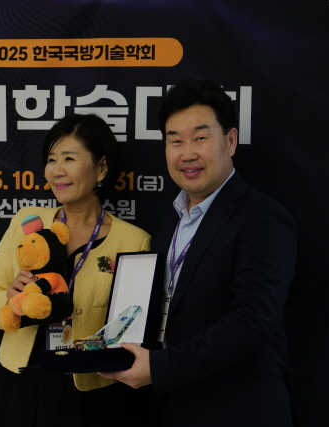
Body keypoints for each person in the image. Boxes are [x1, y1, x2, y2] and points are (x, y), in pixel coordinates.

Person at [99, 79, 297, 426]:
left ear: (230, 141)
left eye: (200, 138)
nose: (187, 153)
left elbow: (252, 320)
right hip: (172, 406)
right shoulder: (167, 219)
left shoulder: (262, 217)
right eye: (175, 141)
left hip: (237, 410)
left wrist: (160, 367)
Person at [0, 113, 152, 427]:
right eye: (51, 160)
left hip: (89, 390)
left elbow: (131, 326)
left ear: (101, 168)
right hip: (21, 380)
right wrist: (9, 301)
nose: (57, 170)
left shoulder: (134, 241)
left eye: (69, 158)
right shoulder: (27, 222)